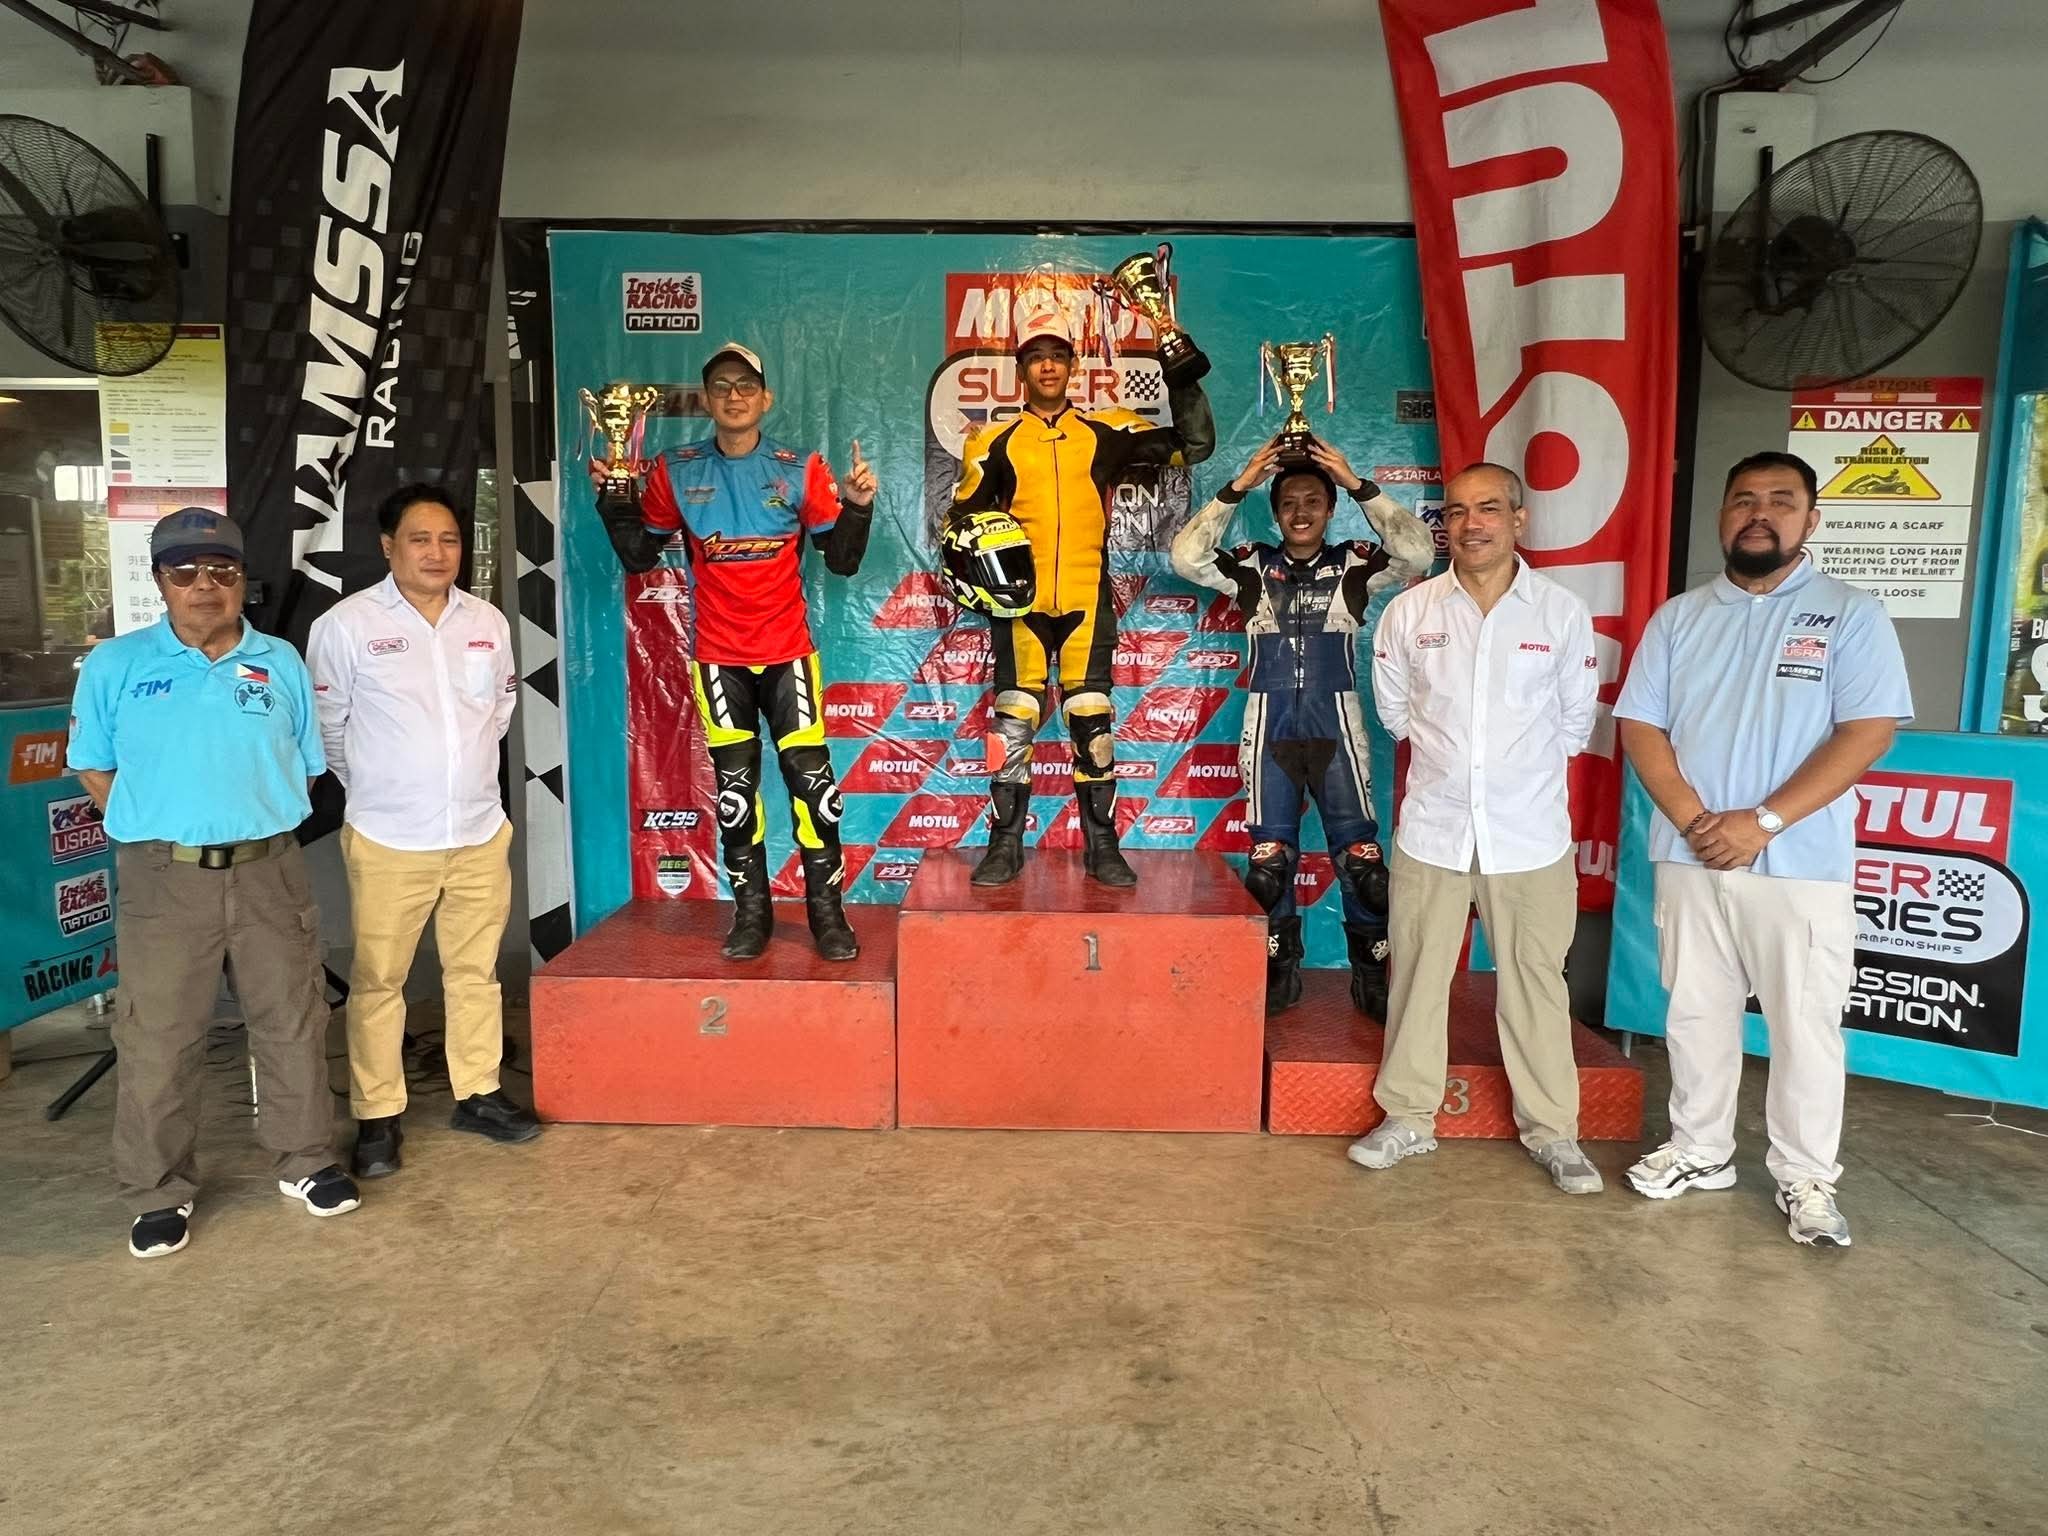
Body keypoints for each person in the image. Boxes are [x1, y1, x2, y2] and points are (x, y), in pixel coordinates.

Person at [1615, 451, 1911, 1248]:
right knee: (1696, 1011)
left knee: (1804, 1025)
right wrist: (1695, 820)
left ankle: (1806, 1177)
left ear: (1811, 519)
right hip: (1692, 855)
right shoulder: (1680, 618)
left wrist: (1763, 822)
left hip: (1802, 864)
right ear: (1723, 516)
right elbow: (1640, 725)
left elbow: (1867, 732)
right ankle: (1700, 1149)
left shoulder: (1851, 613)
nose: (1760, 513)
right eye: (1744, 499)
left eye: (1781, 500)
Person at [65, 508, 357, 1259]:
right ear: (160, 581)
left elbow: (307, 765)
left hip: (269, 868)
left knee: (292, 1019)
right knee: (159, 1035)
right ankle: (157, 1190)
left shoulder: (279, 661)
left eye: (222, 571)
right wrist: (161, 823)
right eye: (185, 571)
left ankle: (306, 1160)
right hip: (165, 877)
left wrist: (247, 819)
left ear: (242, 581)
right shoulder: (117, 664)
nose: (205, 585)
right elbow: (92, 766)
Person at [1350, 463, 1603, 1194]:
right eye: (1457, 511)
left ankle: (1553, 1131)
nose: (1471, 524)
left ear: (1519, 520)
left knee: (1535, 982)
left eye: (1489, 508)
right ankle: (1407, 1117)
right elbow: (1396, 715)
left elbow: (1573, 724)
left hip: (1529, 836)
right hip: (1434, 831)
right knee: (1418, 976)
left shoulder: (1560, 614)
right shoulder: (1411, 613)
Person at [593, 341, 878, 961]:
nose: (734, 395)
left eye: (746, 385)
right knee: (735, 793)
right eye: (721, 385)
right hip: (718, 660)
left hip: (788, 655)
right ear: (707, 399)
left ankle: (828, 916)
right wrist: (614, 499)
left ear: (765, 398)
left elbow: (842, 561)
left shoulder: (799, 467)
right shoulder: (676, 469)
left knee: (814, 789)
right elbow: (640, 557)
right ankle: (752, 916)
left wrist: (858, 507)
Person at [307, 483, 536, 1181]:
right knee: (380, 979)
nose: (436, 553)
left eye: (449, 540)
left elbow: (499, 712)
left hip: (478, 832)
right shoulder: (346, 625)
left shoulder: (486, 622)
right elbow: (328, 730)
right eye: (420, 539)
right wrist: (382, 785)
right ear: (388, 547)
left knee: (475, 971)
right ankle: (378, 1115)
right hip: (389, 836)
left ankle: (479, 1092)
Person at [949, 300, 1214, 887]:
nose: (1047, 366)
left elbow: (1195, 445)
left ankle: (1103, 848)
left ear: (1072, 367)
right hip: (1018, 605)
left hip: (1085, 598)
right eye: (1035, 358)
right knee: (1012, 722)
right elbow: (960, 524)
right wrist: (977, 580)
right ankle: (1004, 845)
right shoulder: (991, 441)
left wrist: (1181, 375)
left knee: (1093, 722)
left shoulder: (1107, 430)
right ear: (1021, 371)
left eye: (1057, 356)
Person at [1170, 436, 1433, 1014]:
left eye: (1314, 500)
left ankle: (1370, 979)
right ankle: (1278, 976)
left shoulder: (1354, 564)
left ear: (1331, 508)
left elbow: (1418, 554)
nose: (1301, 512)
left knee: (1363, 864)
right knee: (1269, 865)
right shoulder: (1251, 566)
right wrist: (1239, 485)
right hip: (1269, 723)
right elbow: (1186, 558)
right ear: (1275, 512)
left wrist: (1356, 483)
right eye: (1288, 503)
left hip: (1336, 721)